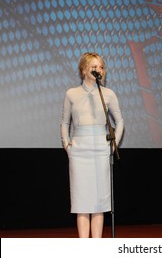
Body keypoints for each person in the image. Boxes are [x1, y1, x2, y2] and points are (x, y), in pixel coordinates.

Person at [60, 52, 124, 238]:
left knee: (99, 203)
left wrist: (113, 146)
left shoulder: (108, 94)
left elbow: (119, 122)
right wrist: (67, 145)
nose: (99, 70)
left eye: (101, 67)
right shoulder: (71, 93)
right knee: (82, 203)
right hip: (79, 151)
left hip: (100, 151)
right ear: (83, 69)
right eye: (94, 67)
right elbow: (64, 123)